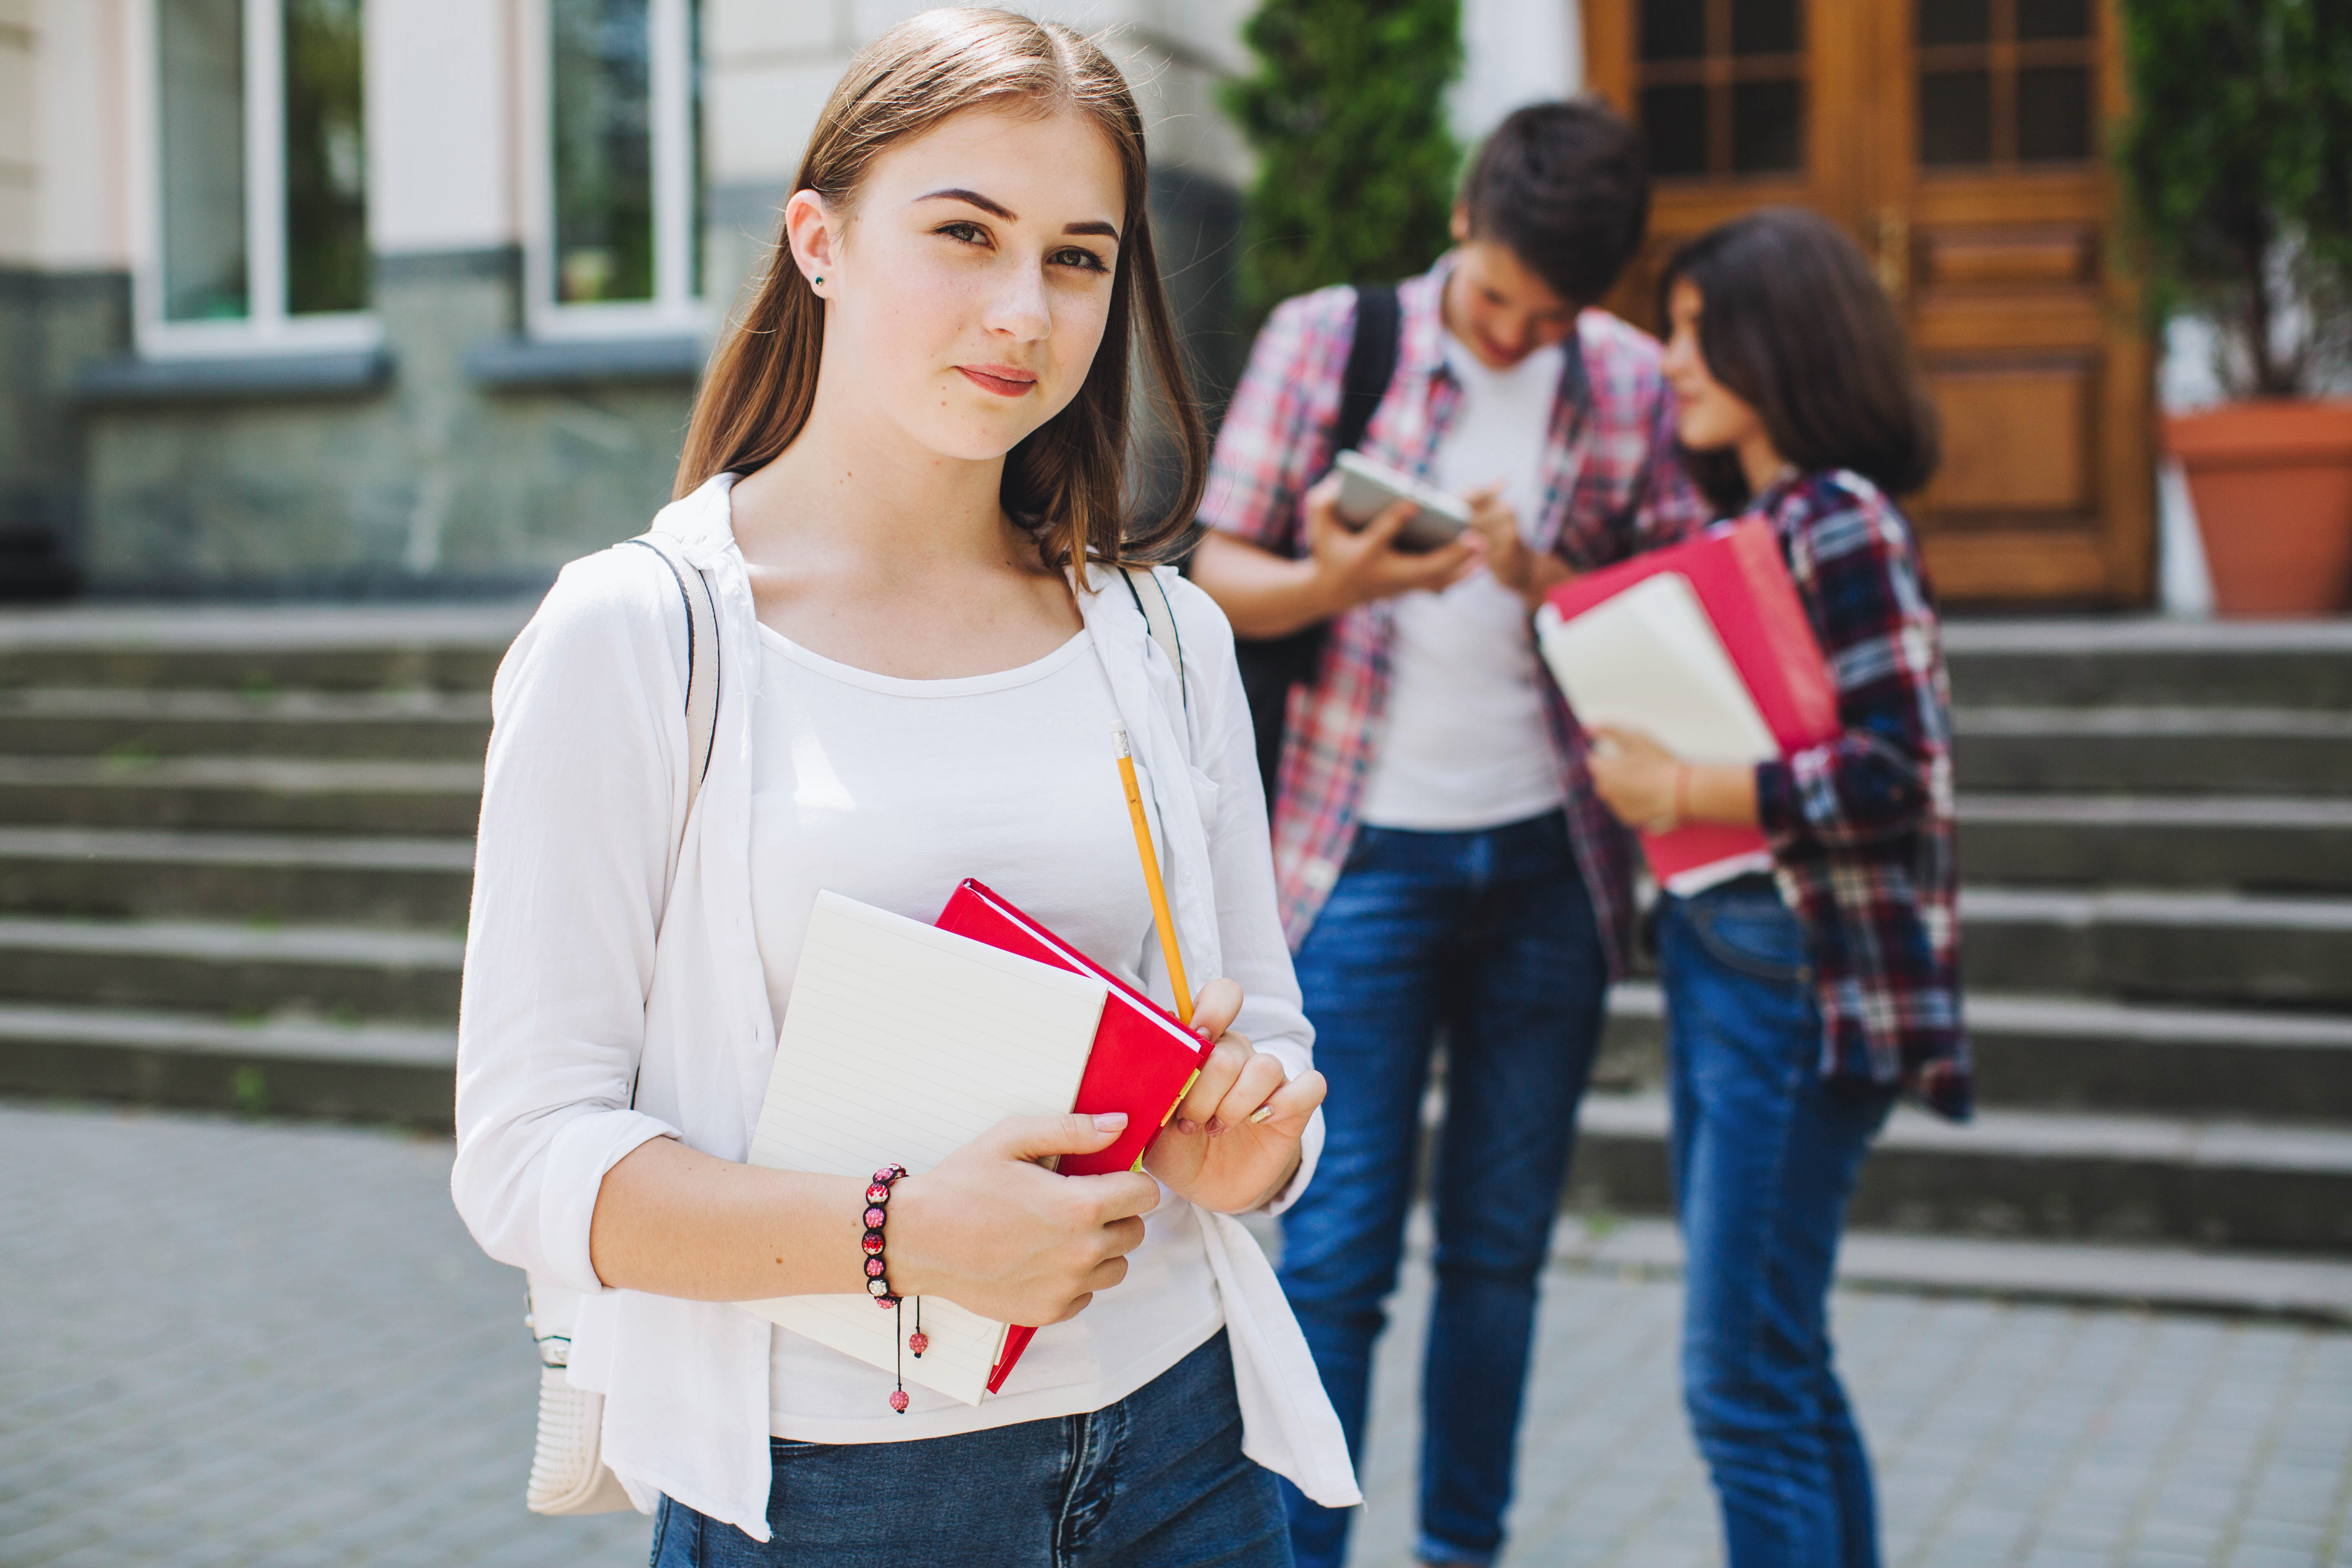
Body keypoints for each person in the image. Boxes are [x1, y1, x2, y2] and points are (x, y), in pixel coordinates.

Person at [450, 12, 1358, 1563]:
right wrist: (902, 1235)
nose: (1023, 311)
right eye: (965, 234)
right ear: (820, 240)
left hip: (1188, 1454)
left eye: (1078, 258)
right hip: (838, 1498)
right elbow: (528, 1157)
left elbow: (1264, 1034)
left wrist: (1250, 1140)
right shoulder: (643, 635)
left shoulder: (1164, 636)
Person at [1189, 102, 1707, 1568]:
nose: (1517, 334)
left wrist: (1553, 575)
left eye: (1550, 319)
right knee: (1340, 1257)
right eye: (1498, 301)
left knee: (1499, 1259)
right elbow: (1216, 577)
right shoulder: (1329, 338)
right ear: (1464, 221)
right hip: (1359, 865)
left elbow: (1671, 606)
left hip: (1551, 866)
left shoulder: (1625, 378)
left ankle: (1462, 1550)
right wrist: (1343, 581)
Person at [1585, 207, 1972, 1568]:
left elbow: (1897, 771)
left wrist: (1685, 789)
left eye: (1699, 332)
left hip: (1798, 968)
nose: (1672, 360)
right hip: (1738, 953)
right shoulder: (1759, 523)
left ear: (1780, 339)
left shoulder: (1839, 519)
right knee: (1778, 1361)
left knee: (1740, 1381)